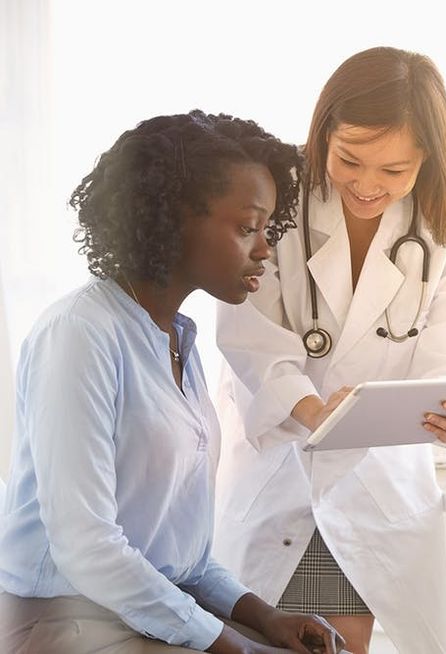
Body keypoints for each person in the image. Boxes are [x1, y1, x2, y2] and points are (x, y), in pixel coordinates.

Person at [0, 111, 347, 654]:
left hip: (143, 611)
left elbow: (182, 556)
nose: (264, 249)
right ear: (174, 219)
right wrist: (232, 645)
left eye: (267, 229)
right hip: (63, 622)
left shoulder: (176, 340)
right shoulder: (79, 334)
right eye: (247, 227)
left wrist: (266, 617)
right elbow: (86, 545)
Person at [213, 47, 446, 654]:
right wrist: (314, 411)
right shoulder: (274, 196)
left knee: (351, 643)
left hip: (377, 482)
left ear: (428, 157)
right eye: (349, 160)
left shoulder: (443, 224)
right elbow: (247, 337)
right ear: (323, 134)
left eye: (395, 170)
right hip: (281, 469)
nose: (368, 185)